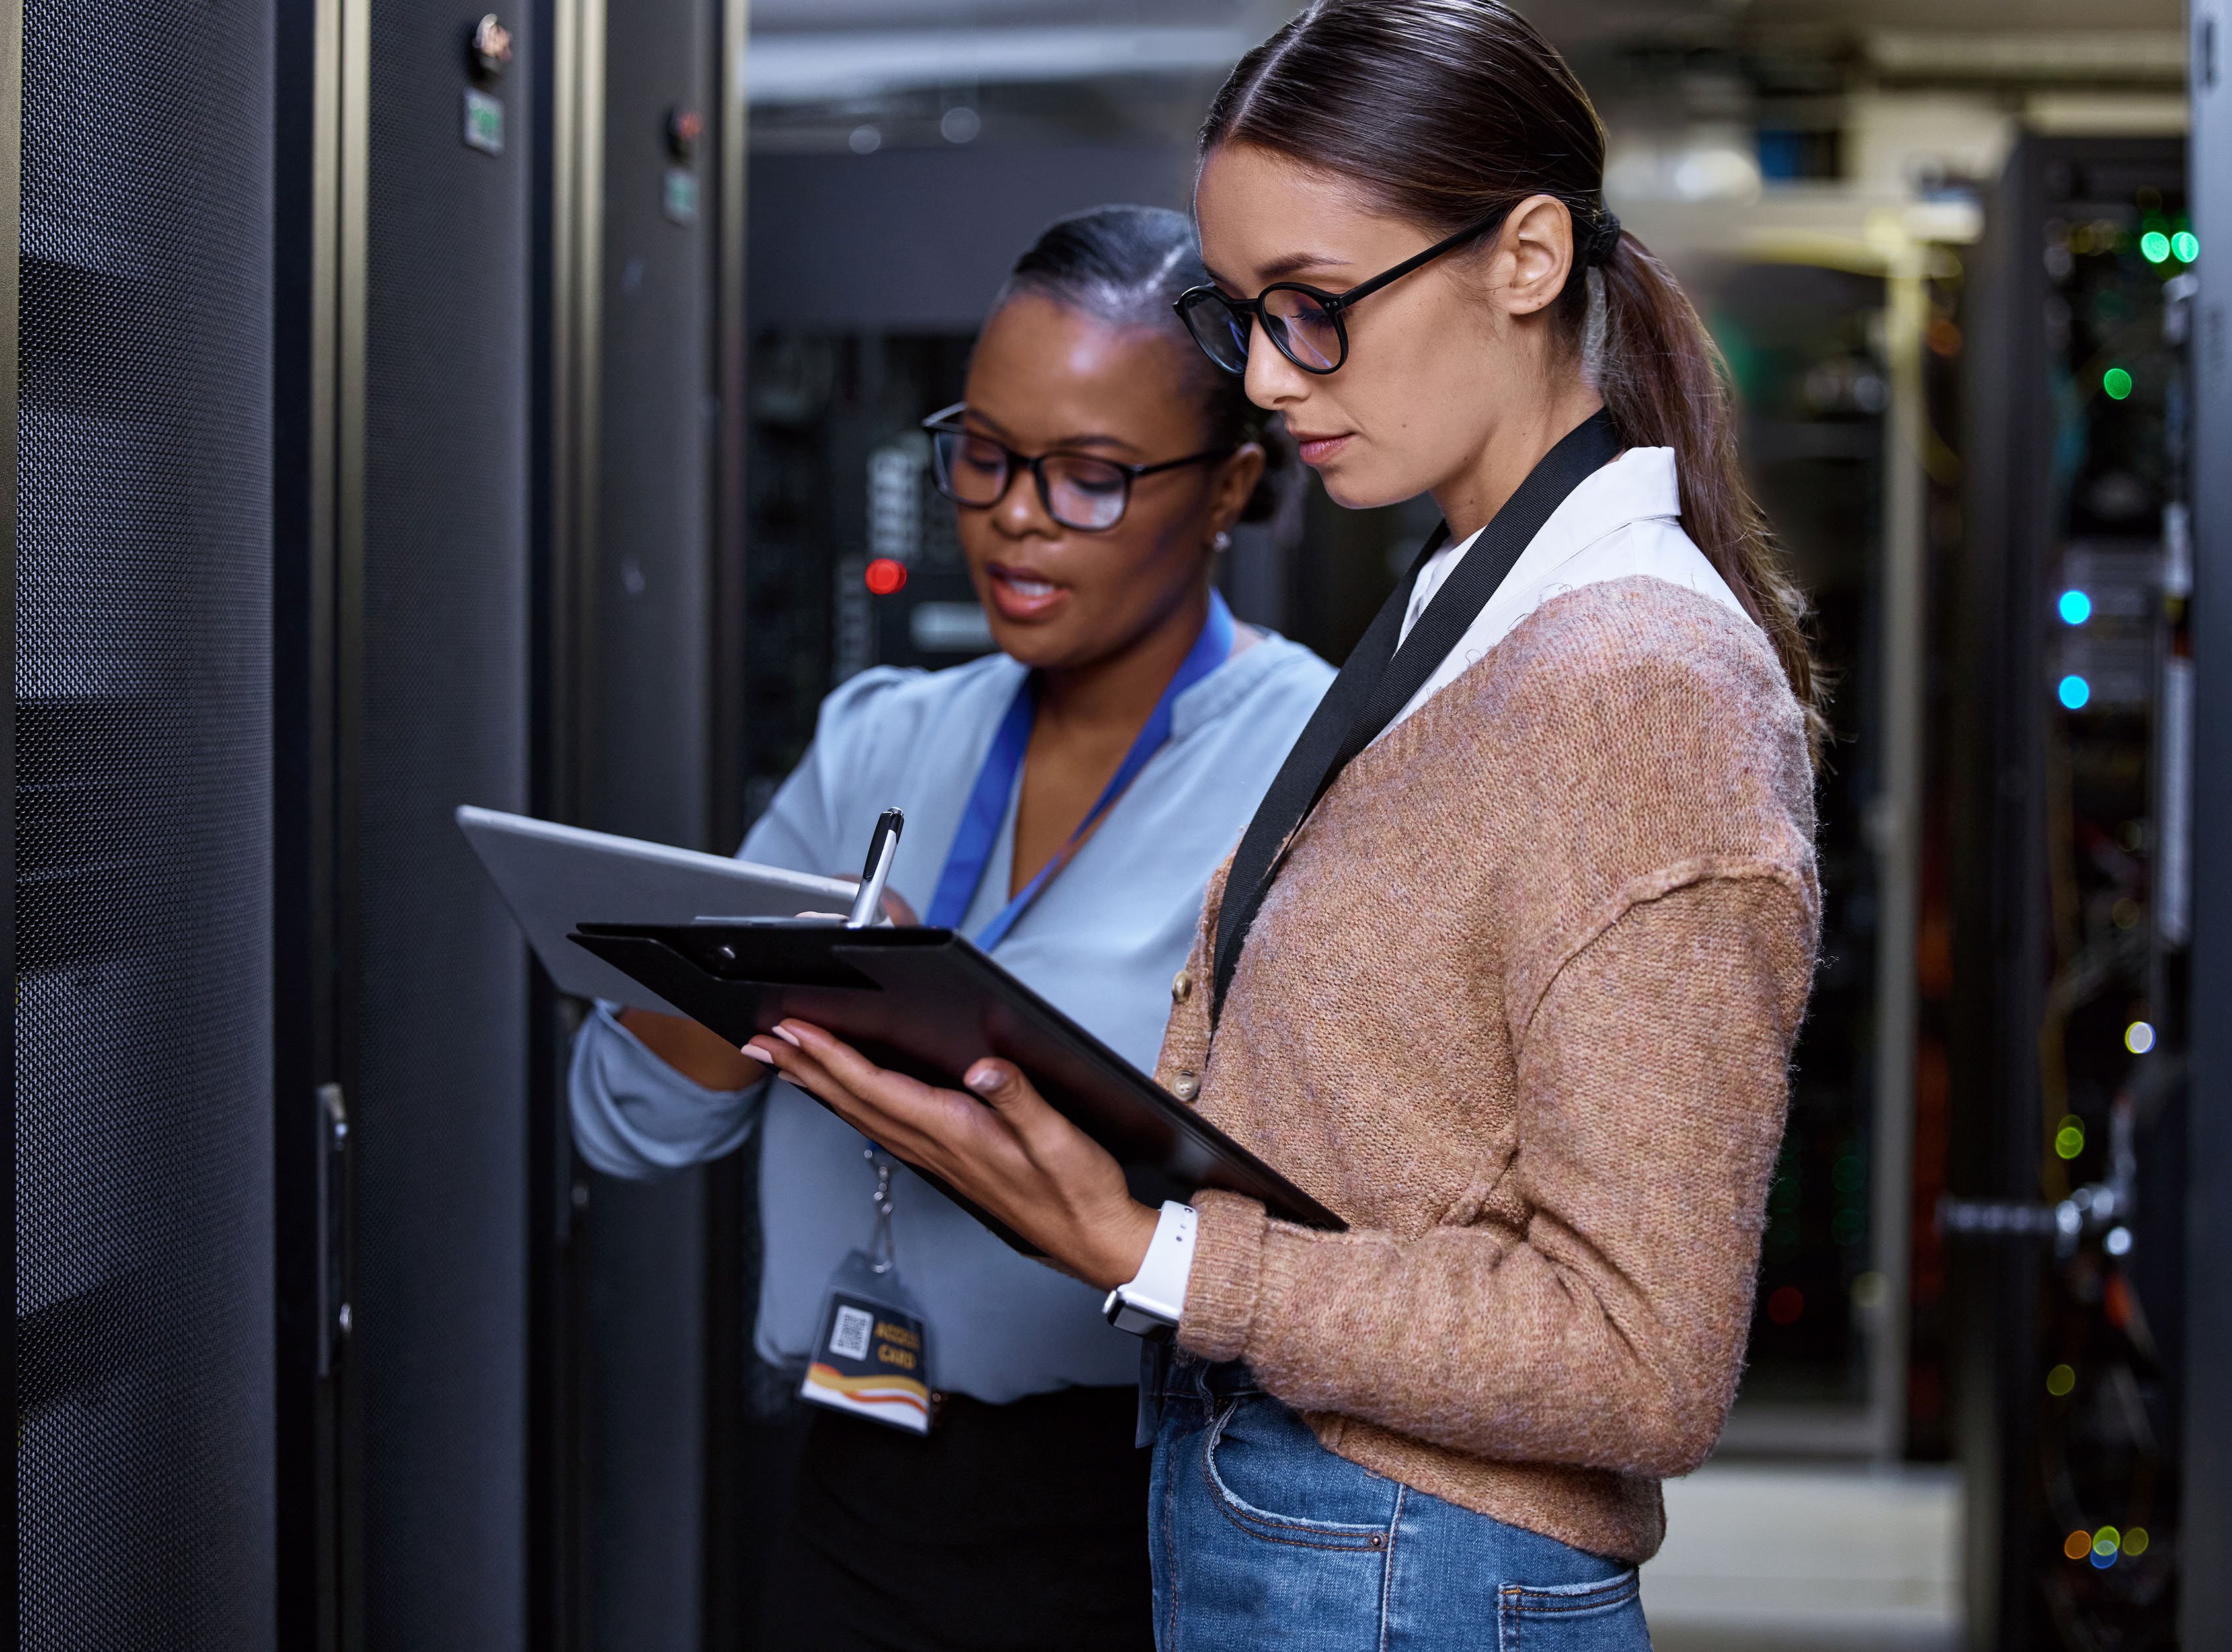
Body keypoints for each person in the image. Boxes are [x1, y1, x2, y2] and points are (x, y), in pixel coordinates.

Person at [739, 4, 1825, 1649]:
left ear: (1527, 258)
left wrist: (1149, 1246)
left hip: (1405, 1567)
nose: (1261, 377)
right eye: (1241, 315)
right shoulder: (1473, 614)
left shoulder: (1635, 678)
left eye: (1314, 312)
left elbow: (1639, 1351)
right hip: (1319, 1539)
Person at [568, 204, 1332, 1652]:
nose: (1017, 513)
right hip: (862, 1483)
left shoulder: (1315, 771)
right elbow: (627, 1122)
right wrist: (776, 978)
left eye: (1091, 476)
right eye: (981, 454)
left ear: (1231, 484)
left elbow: (1331, 1211)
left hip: (1158, 1510)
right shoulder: (879, 741)